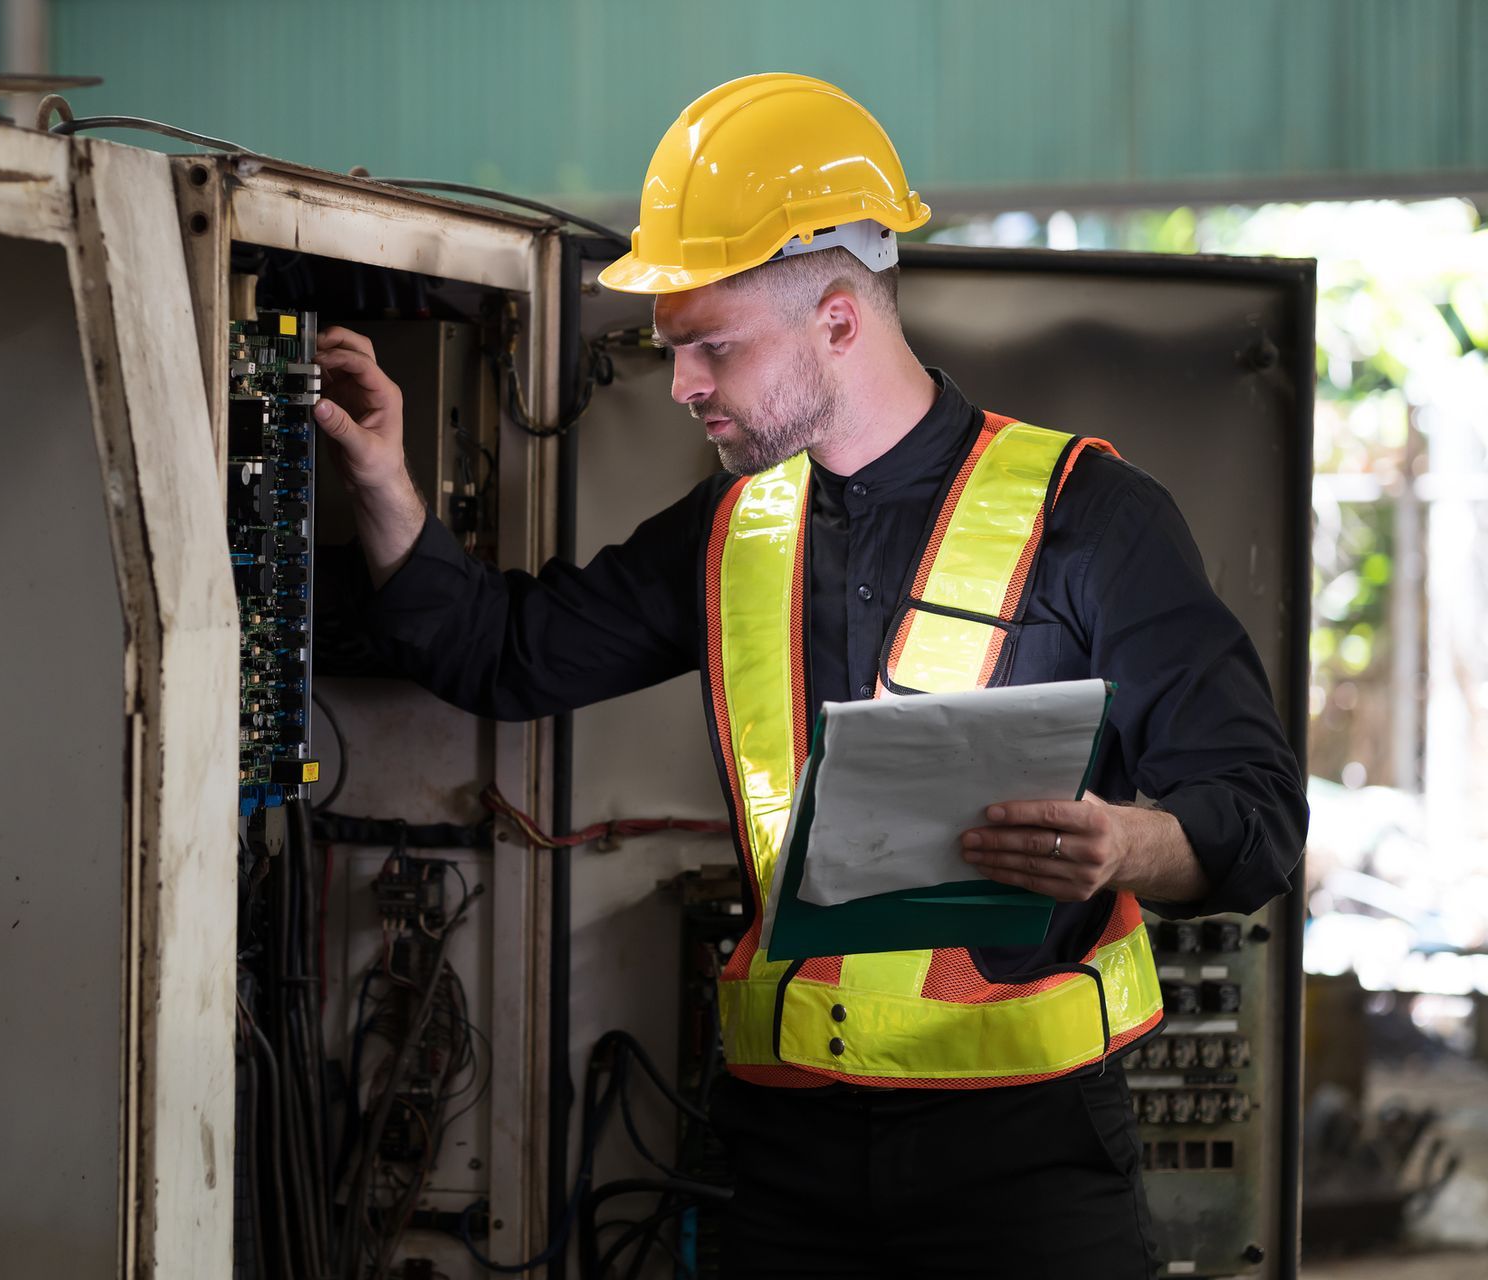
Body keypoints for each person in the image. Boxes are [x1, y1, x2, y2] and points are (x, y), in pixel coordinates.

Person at [311, 73, 1306, 1279]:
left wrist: (1122, 844)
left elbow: (1253, 812)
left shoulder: (1092, 518)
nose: (680, 384)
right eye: (678, 349)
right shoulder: (732, 527)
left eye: (710, 348)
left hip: (1026, 1159)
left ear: (838, 319)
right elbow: (507, 654)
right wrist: (382, 486)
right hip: (785, 1159)